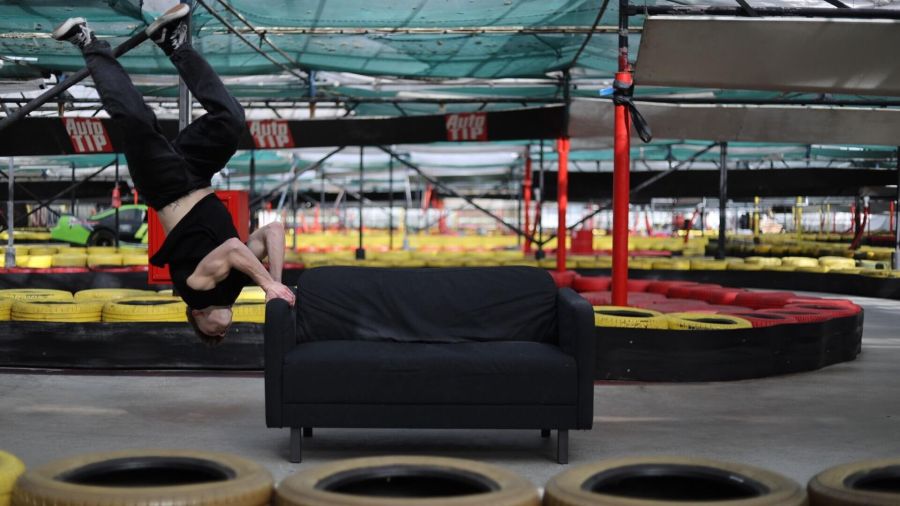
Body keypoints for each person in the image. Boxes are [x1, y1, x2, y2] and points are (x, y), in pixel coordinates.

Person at [53, 4, 295, 344]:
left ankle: (87, 42)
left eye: (212, 334)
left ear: (196, 317)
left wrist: (269, 285)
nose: (222, 332)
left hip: (165, 186)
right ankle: (174, 43)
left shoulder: (194, 291)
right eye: (225, 333)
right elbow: (274, 231)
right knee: (230, 120)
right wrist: (278, 285)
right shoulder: (240, 282)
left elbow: (231, 248)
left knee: (136, 119)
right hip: (198, 175)